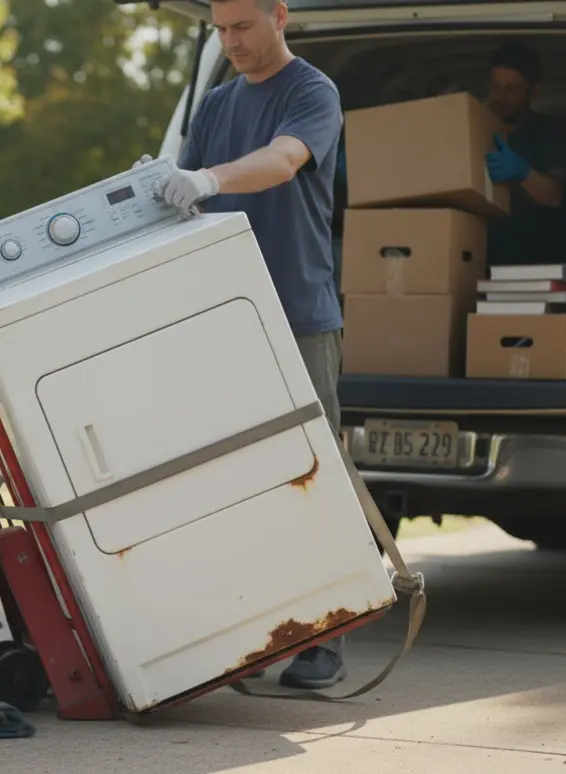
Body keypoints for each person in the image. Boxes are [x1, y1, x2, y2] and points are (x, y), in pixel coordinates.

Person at [138, 0, 348, 689]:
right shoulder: (215, 105)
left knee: (312, 478)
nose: (231, 42)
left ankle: (326, 637)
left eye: (243, 27)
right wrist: (159, 189)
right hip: (223, 320)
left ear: (279, 15)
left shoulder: (311, 91)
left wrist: (209, 178)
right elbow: (185, 206)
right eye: (221, 30)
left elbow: (285, 162)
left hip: (297, 314)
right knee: (235, 483)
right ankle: (248, 638)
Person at [482, 41, 566, 266]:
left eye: (512, 88)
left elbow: (554, 195)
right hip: (480, 261)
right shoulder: (473, 128)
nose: (501, 97)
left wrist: (523, 172)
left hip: (540, 267)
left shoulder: (552, 133)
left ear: (533, 90)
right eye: (495, 86)